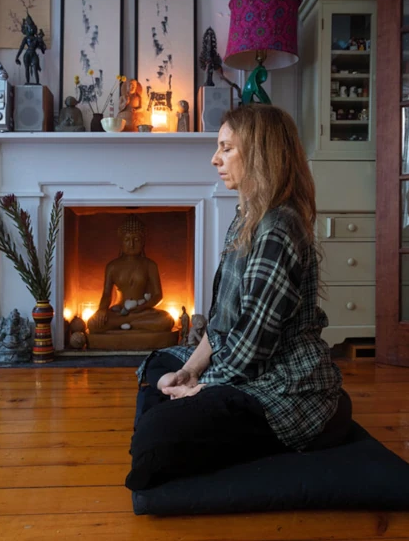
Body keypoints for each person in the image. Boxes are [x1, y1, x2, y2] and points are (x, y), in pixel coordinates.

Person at [126, 104, 351, 491]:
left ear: (262, 153)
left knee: (150, 444)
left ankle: (181, 414)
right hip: (241, 363)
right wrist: (190, 371)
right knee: (157, 362)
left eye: (227, 148)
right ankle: (182, 403)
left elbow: (251, 348)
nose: (214, 159)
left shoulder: (278, 229)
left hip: (285, 382)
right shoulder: (246, 217)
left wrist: (200, 390)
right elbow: (222, 322)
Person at [86, 215, 176, 335]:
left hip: (143, 311)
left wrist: (143, 307)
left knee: (167, 320)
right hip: (120, 311)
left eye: (136, 240)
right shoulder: (112, 266)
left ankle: (125, 324)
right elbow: (107, 294)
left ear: (143, 241)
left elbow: (158, 295)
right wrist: (102, 310)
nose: (131, 244)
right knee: (92, 323)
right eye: (127, 240)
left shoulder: (150, 265)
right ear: (121, 241)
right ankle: (131, 323)